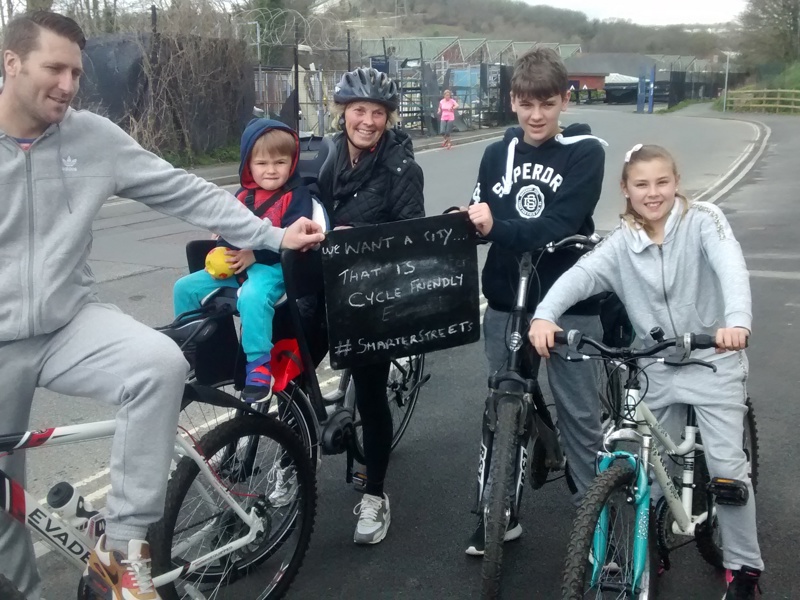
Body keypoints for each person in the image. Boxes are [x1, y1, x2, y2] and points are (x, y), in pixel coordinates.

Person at [0, 11, 323, 600]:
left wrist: (272, 236)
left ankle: (124, 549)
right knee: (4, 512)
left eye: (75, 71)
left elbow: (184, 189)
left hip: (71, 320)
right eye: (54, 68)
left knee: (159, 363)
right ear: (11, 63)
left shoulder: (91, 137)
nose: (68, 85)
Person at [529, 144, 763, 599]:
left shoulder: (703, 220)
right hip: (657, 363)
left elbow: (730, 264)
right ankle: (642, 549)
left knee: (727, 469)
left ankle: (743, 568)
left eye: (662, 182)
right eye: (641, 184)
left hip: (712, 358)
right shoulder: (620, 245)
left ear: (676, 183)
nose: (652, 193)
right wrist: (544, 315)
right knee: (646, 464)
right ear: (626, 189)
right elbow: (580, 275)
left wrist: (736, 322)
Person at [463, 47, 608, 557]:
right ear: (513, 101)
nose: (536, 115)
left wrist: (496, 226)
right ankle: (497, 512)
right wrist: (462, 223)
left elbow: (560, 225)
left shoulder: (586, 152)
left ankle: (596, 523)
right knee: (502, 407)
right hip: (507, 297)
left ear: (564, 100)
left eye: (546, 103)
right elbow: (484, 218)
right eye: (526, 104)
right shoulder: (493, 153)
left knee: (579, 418)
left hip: (568, 302)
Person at [317, 67, 424, 545]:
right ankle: (288, 459)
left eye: (377, 113)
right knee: (289, 375)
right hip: (319, 286)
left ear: (388, 118)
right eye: (358, 110)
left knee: (372, 394)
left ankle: (376, 495)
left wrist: (354, 242)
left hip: (369, 295)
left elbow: (410, 240)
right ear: (343, 113)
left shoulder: (402, 169)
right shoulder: (322, 156)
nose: (367, 121)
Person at [174, 119, 315, 403]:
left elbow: (295, 241)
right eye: (262, 163)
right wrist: (222, 247)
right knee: (185, 287)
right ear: (248, 166)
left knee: (252, 297)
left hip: (274, 268)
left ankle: (258, 365)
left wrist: (255, 254)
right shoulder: (242, 197)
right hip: (239, 266)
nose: (271, 170)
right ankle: (190, 353)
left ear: (292, 163)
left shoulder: (297, 197)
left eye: (280, 162)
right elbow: (229, 231)